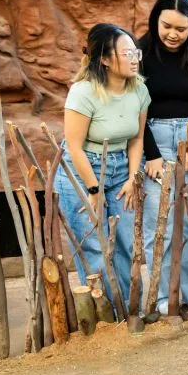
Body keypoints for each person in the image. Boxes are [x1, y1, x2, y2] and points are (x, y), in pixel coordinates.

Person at [137, 0, 188, 314]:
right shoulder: (140, 53)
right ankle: (159, 299)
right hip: (153, 139)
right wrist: (152, 154)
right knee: (160, 223)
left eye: (181, 29)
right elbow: (135, 108)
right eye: (166, 26)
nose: (173, 34)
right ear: (155, 20)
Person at [56, 23, 149, 306]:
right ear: (105, 60)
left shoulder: (139, 90)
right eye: (126, 53)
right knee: (94, 245)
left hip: (122, 166)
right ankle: (106, 315)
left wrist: (133, 177)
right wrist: (93, 191)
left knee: (124, 242)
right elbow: (74, 147)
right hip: (83, 170)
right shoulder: (83, 92)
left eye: (136, 52)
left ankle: (128, 310)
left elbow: (137, 139)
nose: (134, 58)